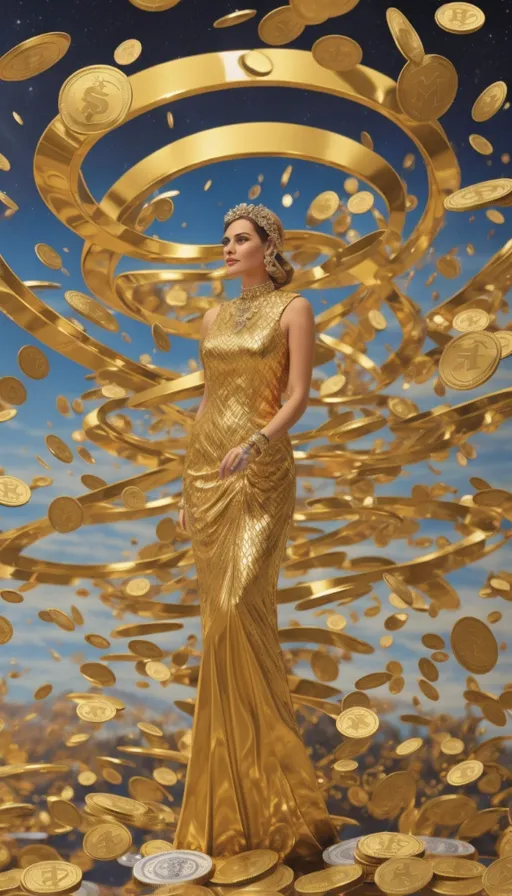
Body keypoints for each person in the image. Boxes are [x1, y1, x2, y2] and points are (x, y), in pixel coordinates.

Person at [173, 202, 338, 861]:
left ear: (269, 245)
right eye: (225, 237)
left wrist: (257, 445)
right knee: (218, 628)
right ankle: (230, 814)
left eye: (240, 237)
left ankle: (286, 806)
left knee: (245, 610)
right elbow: (208, 401)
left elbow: (297, 396)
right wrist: (184, 482)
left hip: (261, 474)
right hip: (207, 474)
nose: (227, 246)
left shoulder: (294, 307)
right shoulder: (213, 318)